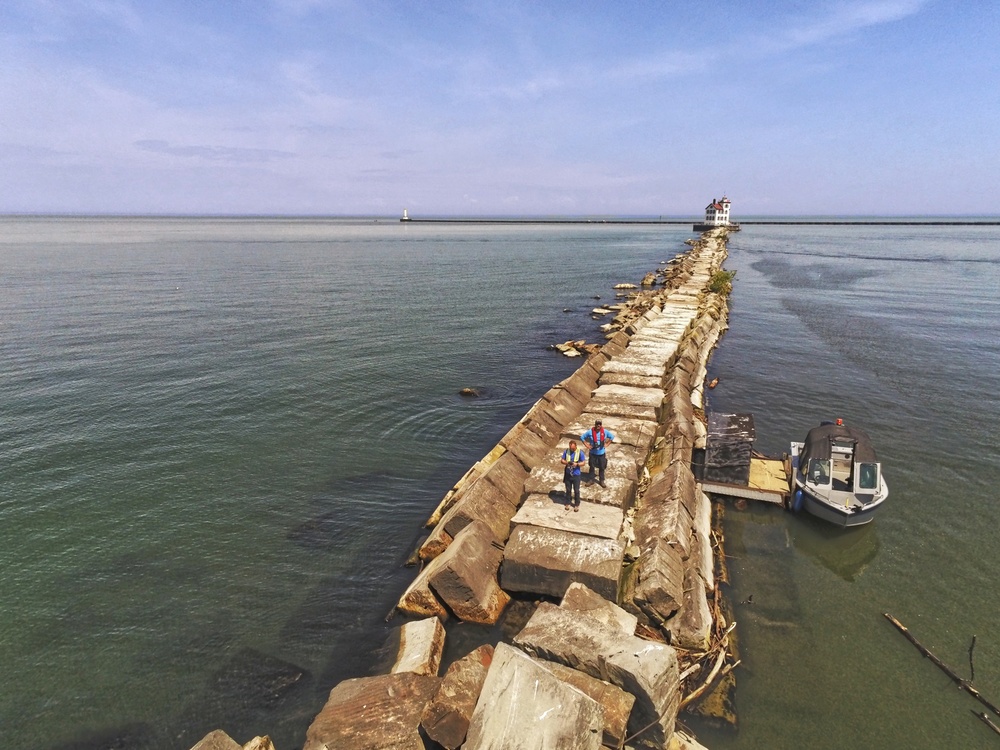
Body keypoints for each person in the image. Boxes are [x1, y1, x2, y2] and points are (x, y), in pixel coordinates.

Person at [581, 419, 615, 487]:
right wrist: (587, 445)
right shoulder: (590, 432)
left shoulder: (605, 432)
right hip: (593, 453)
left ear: (601, 425)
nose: (598, 425)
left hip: (601, 453)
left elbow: (612, 436)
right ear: (595, 424)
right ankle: (591, 480)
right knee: (592, 467)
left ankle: (601, 480)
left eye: (599, 424)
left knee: (602, 467)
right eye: (597, 424)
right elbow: (582, 437)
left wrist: (607, 444)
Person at [561, 440, 586, 511]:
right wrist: (567, 463)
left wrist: (577, 464)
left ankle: (577, 504)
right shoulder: (566, 451)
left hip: (576, 475)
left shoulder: (580, 452)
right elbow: (562, 460)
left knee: (576, 490)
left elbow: (583, 463)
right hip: (568, 474)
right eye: (571, 448)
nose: (572, 449)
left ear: (576, 446)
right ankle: (568, 502)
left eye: (573, 448)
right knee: (568, 489)